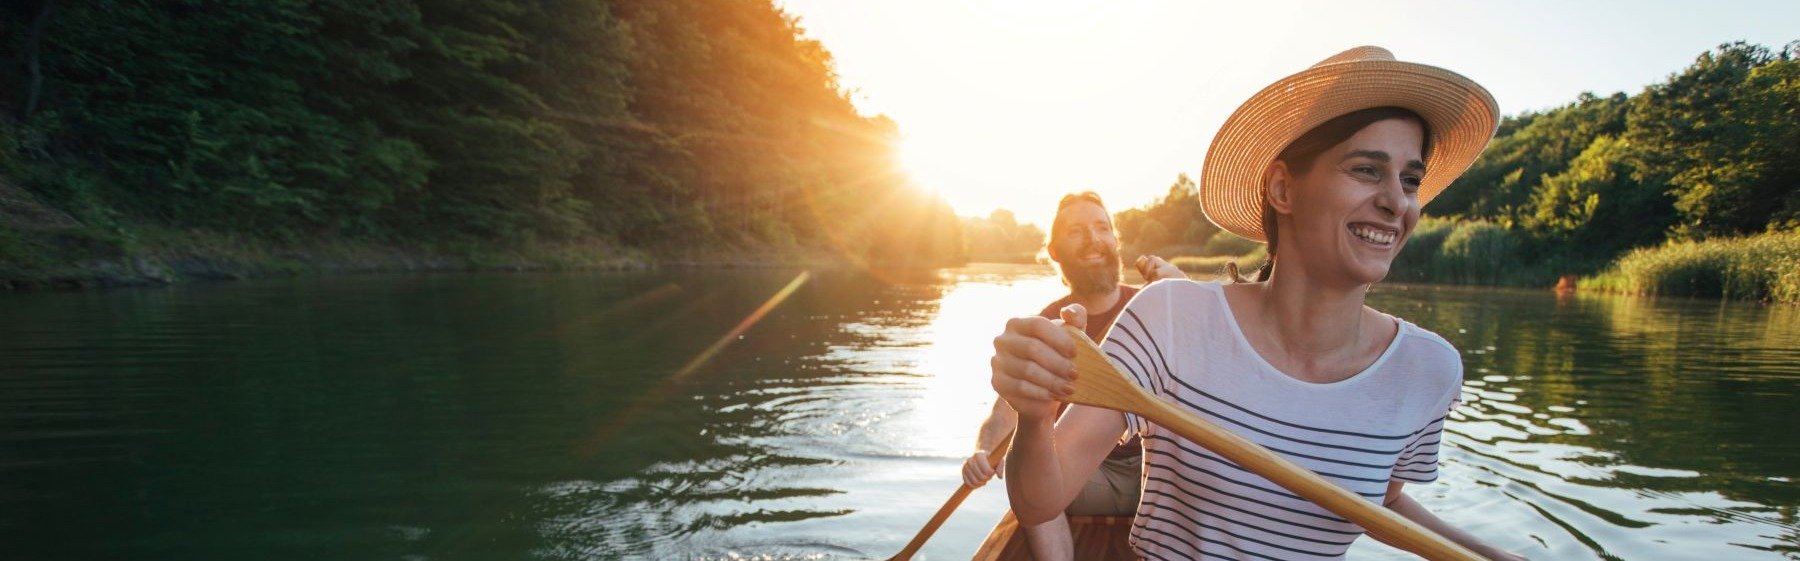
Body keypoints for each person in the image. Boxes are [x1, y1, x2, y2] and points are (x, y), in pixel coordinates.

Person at [988, 46, 1528, 560]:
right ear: (1283, 190)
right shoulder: (1169, 317)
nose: (1396, 202)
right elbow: (1040, 500)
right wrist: (1034, 417)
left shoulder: (1427, 370)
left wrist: (1486, 553)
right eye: (1367, 169)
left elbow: (1380, 502)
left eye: (1410, 179)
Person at [962, 191, 1182, 558]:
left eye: (1102, 227)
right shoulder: (1046, 326)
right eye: (1077, 231)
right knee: (1026, 471)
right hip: (1090, 473)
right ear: (1054, 250)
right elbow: (1005, 414)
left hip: (1159, 467)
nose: (1094, 239)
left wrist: (1184, 293)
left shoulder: (1159, 305)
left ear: (1115, 240)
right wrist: (983, 451)